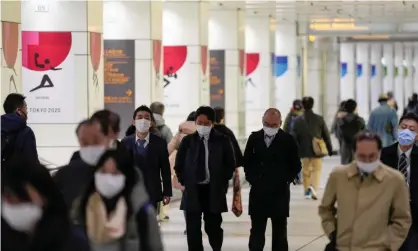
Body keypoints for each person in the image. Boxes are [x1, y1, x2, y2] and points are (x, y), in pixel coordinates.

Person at [319, 131, 411, 251]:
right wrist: (333, 232)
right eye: (362, 156)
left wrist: (388, 244)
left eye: (372, 156)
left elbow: (402, 219)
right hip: (343, 246)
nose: (367, 161)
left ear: (379, 152)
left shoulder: (394, 180)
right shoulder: (338, 176)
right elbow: (325, 209)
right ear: (354, 153)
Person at [73, 150, 163, 251]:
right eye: (103, 172)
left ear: (126, 177)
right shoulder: (81, 209)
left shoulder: (141, 211)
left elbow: (155, 247)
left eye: (115, 173)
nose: (108, 179)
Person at [174, 106, 235, 251]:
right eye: (199, 122)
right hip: (193, 190)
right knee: (192, 228)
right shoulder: (188, 141)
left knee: (213, 226)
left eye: (205, 123)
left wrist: (222, 181)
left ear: (212, 123)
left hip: (213, 189)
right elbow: (179, 163)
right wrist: (184, 181)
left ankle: (216, 247)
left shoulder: (222, 140)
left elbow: (230, 164)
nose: (202, 126)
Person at [243, 108, 302, 251]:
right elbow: (247, 162)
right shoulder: (254, 138)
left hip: (279, 192)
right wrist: (253, 179)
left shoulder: (288, 140)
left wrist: (286, 179)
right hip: (258, 191)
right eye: (266, 124)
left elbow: (296, 165)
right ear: (262, 121)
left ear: (280, 123)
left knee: (280, 231)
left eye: (273, 125)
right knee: (257, 229)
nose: (269, 128)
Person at [2, 159, 89, 251]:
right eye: (8, 198)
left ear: (45, 198)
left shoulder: (73, 242)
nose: (13, 205)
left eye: (22, 198)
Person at [121, 105, 172, 210]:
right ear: (133, 122)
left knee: (150, 223)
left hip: (152, 191)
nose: (143, 120)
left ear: (151, 122)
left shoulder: (160, 143)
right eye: (139, 117)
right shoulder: (125, 142)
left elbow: (165, 169)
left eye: (146, 118)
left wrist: (167, 192)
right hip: (131, 192)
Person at [381, 113, 418, 251]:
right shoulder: (383, 155)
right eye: (404, 127)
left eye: (412, 129)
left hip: (414, 214)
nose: (407, 131)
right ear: (398, 130)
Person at [54, 119, 109, 208]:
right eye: (85, 142)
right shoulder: (64, 175)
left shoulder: (127, 171)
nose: (91, 146)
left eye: (96, 140)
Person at [292, 96, 333, 200]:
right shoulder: (319, 118)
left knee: (306, 171)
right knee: (316, 170)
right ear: (312, 105)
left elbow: (293, 137)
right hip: (317, 150)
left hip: (303, 150)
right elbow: (326, 135)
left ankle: (306, 191)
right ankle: (313, 187)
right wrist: (329, 148)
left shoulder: (297, 120)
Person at [1, 93, 38, 163]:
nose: (27, 112)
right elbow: (32, 162)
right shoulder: (26, 132)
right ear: (19, 111)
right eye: (26, 108)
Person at [335, 99, 366, 164]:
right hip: (357, 146)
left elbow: (339, 135)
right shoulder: (360, 120)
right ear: (355, 108)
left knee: (345, 168)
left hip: (345, 147)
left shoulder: (340, 121)